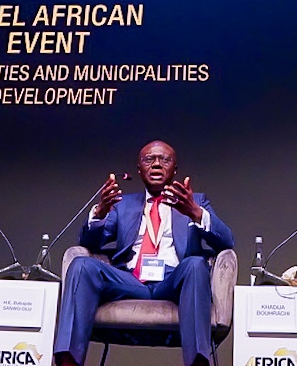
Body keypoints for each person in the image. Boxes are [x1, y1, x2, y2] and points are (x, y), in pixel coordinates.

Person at [54, 140, 234, 366]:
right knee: (81, 264)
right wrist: (99, 213)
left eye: (165, 160)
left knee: (196, 264)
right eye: (150, 159)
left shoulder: (196, 201)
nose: (157, 164)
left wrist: (196, 214)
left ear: (175, 169)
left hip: (174, 281)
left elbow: (226, 241)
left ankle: (198, 362)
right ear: (139, 169)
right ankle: (68, 361)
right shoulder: (123, 204)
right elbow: (90, 241)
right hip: (130, 280)